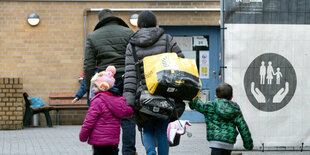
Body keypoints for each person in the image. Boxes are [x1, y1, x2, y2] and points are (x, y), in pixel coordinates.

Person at [123, 11, 185, 155]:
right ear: (154, 22)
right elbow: (180, 63)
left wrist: (129, 99)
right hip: (165, 93)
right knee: (162, 130)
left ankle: (150, 152)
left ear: (139, 24)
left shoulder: (131, 45)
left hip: (144, 96)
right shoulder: (167, 39)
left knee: (148, 128)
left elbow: (130, 75)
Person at [83, 9, 136, 155]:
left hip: (105, 82)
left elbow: (88, 65)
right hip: (127, 78)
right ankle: (129, 152)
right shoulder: (128, 33)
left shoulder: (93, 36)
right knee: (128, 117)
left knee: (104, 117)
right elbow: (136, 58)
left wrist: (89, 87)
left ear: (100, 21)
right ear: (114, 18)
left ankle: (109, 151)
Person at [79, 66, 134, 155]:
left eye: (95, 86)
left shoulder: (97, 101)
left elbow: (89, 121)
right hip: (112, 142)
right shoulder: (118, 100)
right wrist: (131, 110)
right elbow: (126, 111)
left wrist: (83, 135)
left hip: (98, 142)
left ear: (103, 87)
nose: (93, 89)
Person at [188, 83, 254, 155]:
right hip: (229, 143)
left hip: (215, 142)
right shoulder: (235, 110)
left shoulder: (210, 106)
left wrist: (195, 98)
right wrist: (248, 145)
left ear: (216, 96)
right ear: (232, 97)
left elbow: (198, 105)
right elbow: (243, 127)